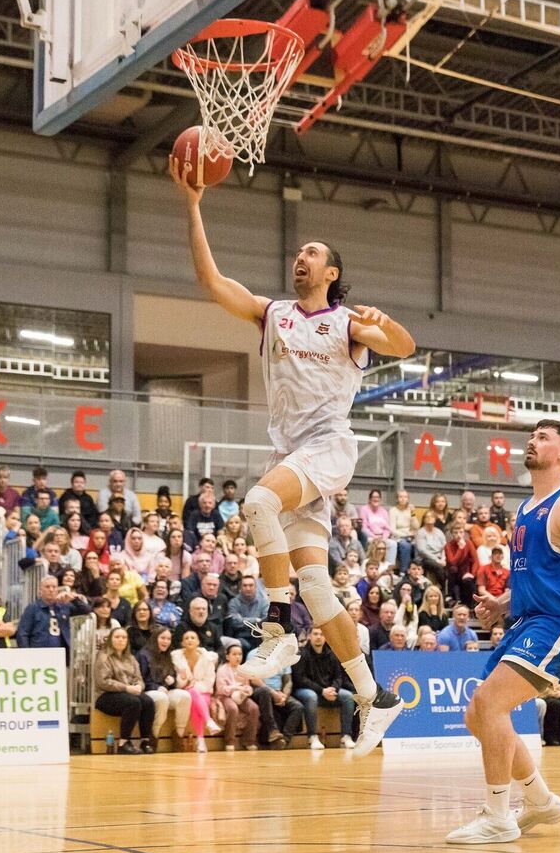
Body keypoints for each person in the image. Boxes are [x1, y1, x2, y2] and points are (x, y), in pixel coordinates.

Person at [173, 159, 415, 756]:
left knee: (255, 500)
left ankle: (278, 631)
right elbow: (213, 283)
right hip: (294, 456)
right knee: (317, 584)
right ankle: (373, 695)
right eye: (298, 251)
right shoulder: (274, 313)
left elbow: (407, 348)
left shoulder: (347, 324)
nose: (299, 257)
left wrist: (387, 325)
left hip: (328, 448)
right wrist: (194, 205)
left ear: (331, 272)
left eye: (312, 252)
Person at [448, 420, 560, 845]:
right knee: (477, 715)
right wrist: (504, 603)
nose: (532, 442)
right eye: (532, 435)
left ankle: (498, 815)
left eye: (543, 438)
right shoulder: (524, 508)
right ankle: (539, 800)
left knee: (489, 703)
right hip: (529, 619)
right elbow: (533, 572)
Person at [293, 626, 358, 751]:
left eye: (322, 634)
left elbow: (338, 677)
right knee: (311, 697)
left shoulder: (332, 654)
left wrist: (333, 688)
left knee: (348, 696)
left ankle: (346, 736)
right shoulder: (302, 654)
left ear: (325, 638)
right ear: (309, 636)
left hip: (328, 691)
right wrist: (321, 690)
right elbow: (300, 679)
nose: (318, 637)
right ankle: (312, 736)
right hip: (306, 691)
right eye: (316, 634)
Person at [94, 628, 156, 754]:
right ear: (110, 639)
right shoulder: (104, 657)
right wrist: (126, 688)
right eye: (117, 637)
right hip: (106, 695)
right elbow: (104, 682)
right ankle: (123, 742)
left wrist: (139, 686)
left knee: (148, 702)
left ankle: (145, 740)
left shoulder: (131, 658)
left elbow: (139, 678)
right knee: (133, 702)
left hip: (128, 693)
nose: (121, 640)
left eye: (124, 637)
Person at [137, 625, 194, 751]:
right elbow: (140, 679)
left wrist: (173, 681)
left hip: (165, 690)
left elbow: (172, 677)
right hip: (148, 691)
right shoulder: (143, 655)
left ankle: (178, 735)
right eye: (163, 638)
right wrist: (156, 687)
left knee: (185, 696)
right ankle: (154, 735)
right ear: (155, 638)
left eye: (168, 639)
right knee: (162, 698)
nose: (166, 642)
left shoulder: (168, 655)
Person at [172, 629, 224, 751]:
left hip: (204, 692)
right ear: (182, 643)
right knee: (192, 696)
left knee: (194, 697)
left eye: (193, 638)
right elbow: (178, 682)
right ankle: (206, 728)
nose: (190, 640)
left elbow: (209, 681)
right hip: (185, 691)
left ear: (198, 642)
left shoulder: (208, 658)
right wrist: (184, 681)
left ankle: (201, 740)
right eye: (186, 638)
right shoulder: (175, 658)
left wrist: (193, 686)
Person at [16, 576, 86, 660]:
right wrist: (26, 654)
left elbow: (86, 611)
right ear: (40, 590)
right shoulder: (32, 608)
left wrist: (74, 599)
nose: (51, 590)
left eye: (54, 587)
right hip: (38, 655)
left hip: (61, 655)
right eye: (47, 587)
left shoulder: (64, 606)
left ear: (58, 589)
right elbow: (23, 633)